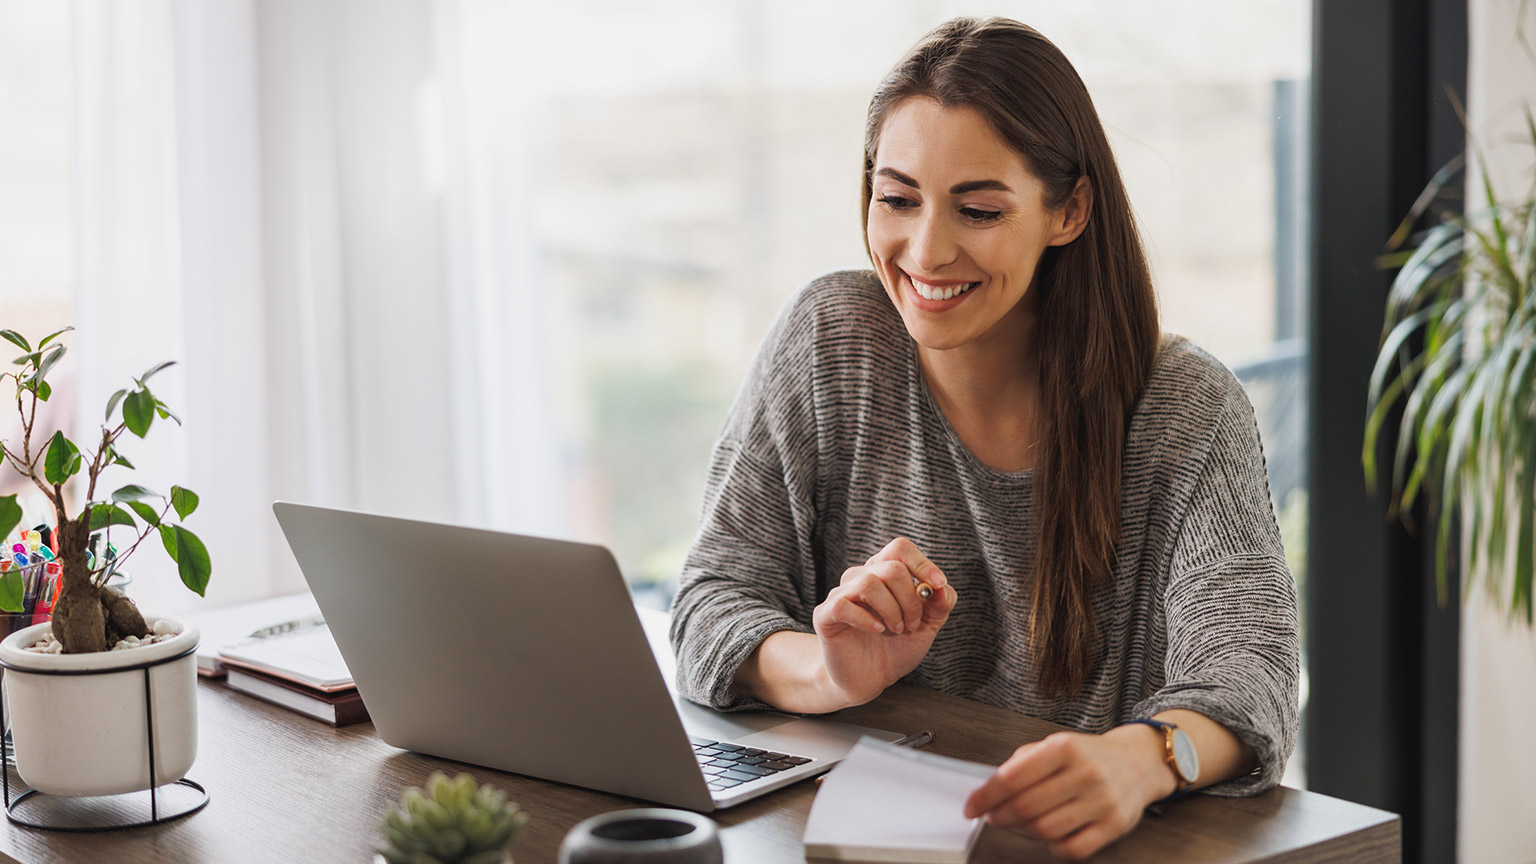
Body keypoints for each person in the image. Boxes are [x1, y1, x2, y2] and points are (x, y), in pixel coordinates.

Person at [668, 16, 1298, 860]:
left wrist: (1141, 758)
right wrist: (830, 671)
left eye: (978, 209)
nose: (925, 250)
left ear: (1068, 211)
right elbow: (713, 601)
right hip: (854, 838)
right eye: (896, 199)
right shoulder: (831, 340)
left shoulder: (1183, 407)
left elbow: (1250, 674)